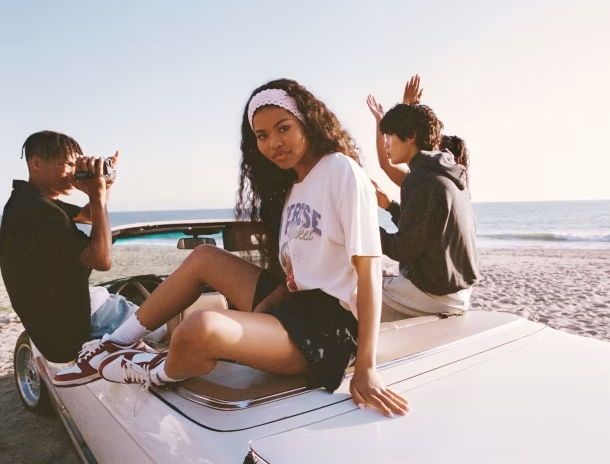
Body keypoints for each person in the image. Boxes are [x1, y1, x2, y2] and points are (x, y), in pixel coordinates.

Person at [60, 80, 408, 418]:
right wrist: (271, 302)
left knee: (199, 327)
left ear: (308, 122)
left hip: (329, 331)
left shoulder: (342, 170)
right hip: (294, 306)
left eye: (283, 128)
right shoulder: (294, 187)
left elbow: (368, 272)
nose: (273, 143)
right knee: (204, 257)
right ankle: (114, 344)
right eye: (262, 135)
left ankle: (152, 371)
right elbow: (301, 272)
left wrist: (367, 367)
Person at [0, 131, 165, 385]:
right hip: (81, 318)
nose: (74, 172)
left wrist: (104, 186)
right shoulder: (40, 210)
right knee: (167, 323)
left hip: (59, 317)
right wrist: (96, 194)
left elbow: (88, 215)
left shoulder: (27, 201)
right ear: (36, 163)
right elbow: (102, 260)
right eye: (67, 164)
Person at [372, 103, 480, 320]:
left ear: (411, 136)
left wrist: (363, 228)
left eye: (390, 135)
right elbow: (425, 228)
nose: (386, 143)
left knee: (350, 293)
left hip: (433, 295)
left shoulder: (420, 178)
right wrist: (390, 207)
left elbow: (403, 249)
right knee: (378, 280)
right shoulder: (449, 175)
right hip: (459, 293)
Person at [366, 75, 471, 188]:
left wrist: (405, 111)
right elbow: (388, 164)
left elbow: (388, 164)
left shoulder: (427, 182)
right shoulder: (450, 182)